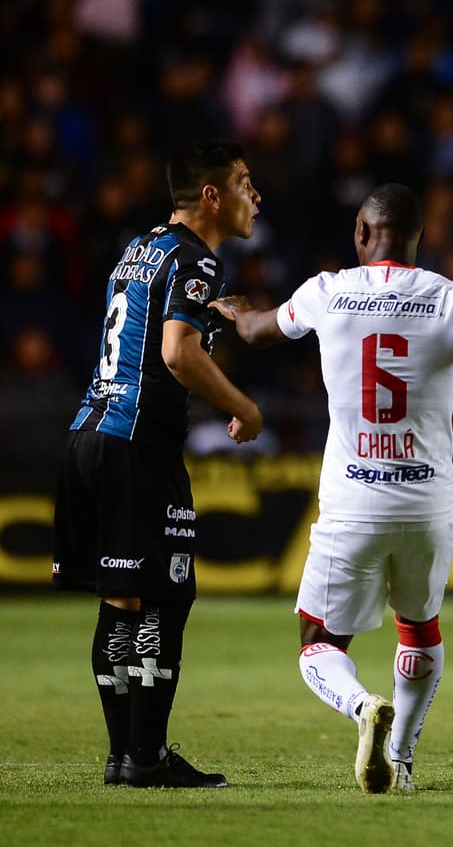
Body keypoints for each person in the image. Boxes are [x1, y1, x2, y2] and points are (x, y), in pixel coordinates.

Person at [210, 183, 453, 794]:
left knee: (318, 640)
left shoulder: (327, 291)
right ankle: (399, 758)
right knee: (421, 626)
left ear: (359, 234)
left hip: (352, 504)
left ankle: (360, 707)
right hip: (429, 503)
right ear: (421, 240)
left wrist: (237, 308)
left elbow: (256, 334)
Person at [52, 140, 264, 788]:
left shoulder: (142, 247)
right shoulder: (198, 261)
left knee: (121, 599)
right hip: (139, 444)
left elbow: (150, 333)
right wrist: (244, 407)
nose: (255, 196)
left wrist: (214, 322)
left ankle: (126, 756)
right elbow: (175, 353)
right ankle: (145, 756)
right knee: (168, 596)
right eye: (245, 183)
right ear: (211, 196)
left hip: (89, 430)